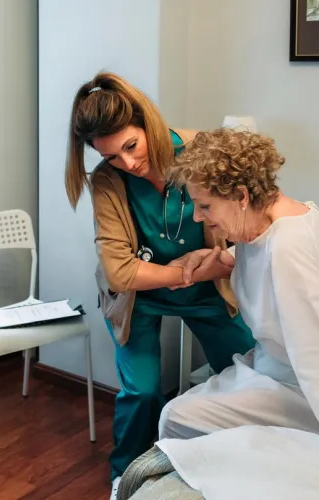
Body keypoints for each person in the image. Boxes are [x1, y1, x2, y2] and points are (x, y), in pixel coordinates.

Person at [64, 72, 256, 498]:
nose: (127, 164)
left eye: (131, 146)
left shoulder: (203, 152)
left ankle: (239, 456)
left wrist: (208, 269)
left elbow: (245, 226)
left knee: (245, 368)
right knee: (142, 389)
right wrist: (191, 271)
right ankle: (125, 475)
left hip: (207, 293)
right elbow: (121, 273)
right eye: (112, 156)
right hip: (139, 300)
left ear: (146, 122)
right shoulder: (107, 183)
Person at [157, 127, 319, 454]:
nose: (198, 217)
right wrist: (218, 258)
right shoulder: (280, 219)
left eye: (205, 206)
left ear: (240, 196)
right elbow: (259, 258)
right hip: (275, 368)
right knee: (183, 413)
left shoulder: (291, 249)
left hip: (312, 390)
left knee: (177, 416)